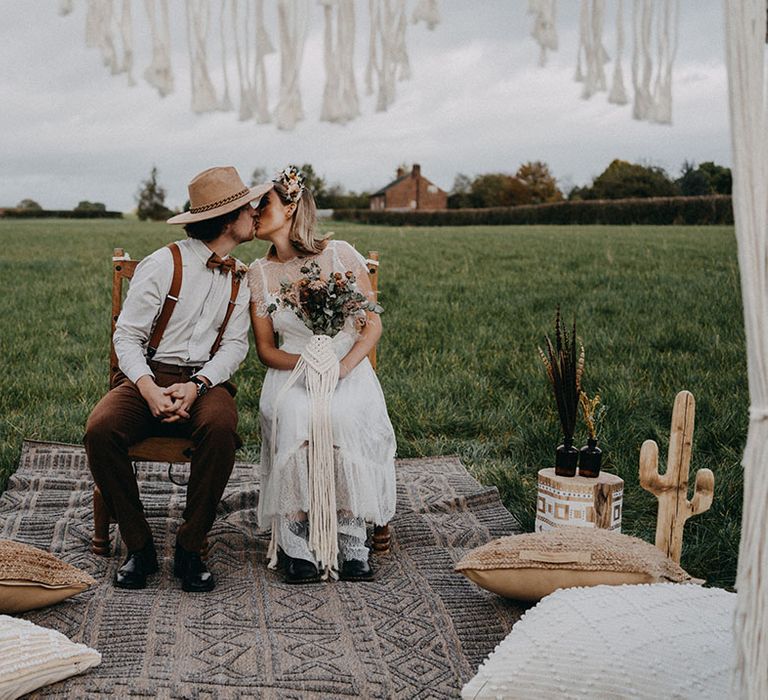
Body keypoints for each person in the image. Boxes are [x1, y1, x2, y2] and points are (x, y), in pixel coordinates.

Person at [85, 166, 271, 592]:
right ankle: (139, 546)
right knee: (100, 429)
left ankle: (190, 547)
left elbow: (235, 348)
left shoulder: (242, 277)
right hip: (147, 373)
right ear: (228, 219)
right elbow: (127, 337)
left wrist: (199, 385)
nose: (255, 213)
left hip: (205, 382)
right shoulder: (163, 264)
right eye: (249, 207)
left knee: (221, 426)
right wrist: (148, 388)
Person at [248, 166, 396, 584]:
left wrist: (343, 366)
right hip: (293, 371)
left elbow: (372, 325)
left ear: (291, 207)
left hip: (346, 367)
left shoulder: (339, 254)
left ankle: (350, 538)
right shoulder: (258, 274)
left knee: (341, 416)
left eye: (265, 203)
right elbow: (265, 350)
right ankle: (295, 543)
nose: (256, 212)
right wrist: (306, 365)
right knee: (296, 415)